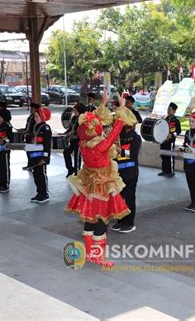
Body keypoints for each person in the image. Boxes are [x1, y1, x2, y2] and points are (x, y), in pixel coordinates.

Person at [66, 94, 136, 266]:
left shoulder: (84, 143)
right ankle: (99, 257)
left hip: (88, 186)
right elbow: (116, 130)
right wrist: (120, 107)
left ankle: (90, 253)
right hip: (101, 188)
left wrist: (103, 104)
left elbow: (92, 120)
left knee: (89, 220)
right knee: (100, 221)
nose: (98, 123)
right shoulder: (101, 144)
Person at [110, 120, 141, 233]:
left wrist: (120, 150)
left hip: (130, 173)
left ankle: (130, 223)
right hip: (119, 173)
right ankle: (121, 221)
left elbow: (133, 154)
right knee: (119, 199)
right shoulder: (120, 135)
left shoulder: (136, 138)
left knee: (129, 198)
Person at [29, 107, 52, 204]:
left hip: (42, 156)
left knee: (41, 175)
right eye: (34, 116)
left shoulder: (46, 128)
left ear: (43, 116)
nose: (35, 118)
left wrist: (45, 158)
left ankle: (44, 194)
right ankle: (39, 193)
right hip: (35, 155)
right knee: (36, 174)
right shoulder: (36, 126)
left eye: (37, 116)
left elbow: (47, 145)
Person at [0, 109, 13, 193]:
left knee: (5, 168)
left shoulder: (7, 125)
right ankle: (0, 185)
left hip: (4, 150)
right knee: (0, 168)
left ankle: (5, 185)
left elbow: (10, 138)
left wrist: (3, 141)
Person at [63, 103, 86, 177]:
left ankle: (77, 173)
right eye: (74, 111)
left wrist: (73, 133)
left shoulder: (83, 119)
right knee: (66, 152)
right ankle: (70, 169)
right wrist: (66, 133)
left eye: (75, 111)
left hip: (79, 142)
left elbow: (82, 131)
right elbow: (70, 128)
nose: (74, 112)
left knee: (77, 157)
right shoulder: (73, 118)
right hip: (73, 141)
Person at [159, 102, 181, 177]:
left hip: (170, 141)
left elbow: (178, 131)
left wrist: (172, 135)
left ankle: (171, 172)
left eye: (170, 110)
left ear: (174, 111)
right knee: (163, 155)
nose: (168, 111)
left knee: (170, 156)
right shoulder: (165, 119)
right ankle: (164, 171)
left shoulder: (176, 120)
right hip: (163, 141)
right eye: (168, 110)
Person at [22, 102, 40, 170]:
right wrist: (22, 131)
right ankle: (29, 164)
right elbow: (27, 127)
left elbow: (36, 129)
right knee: (28, 151)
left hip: (33, 138)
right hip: (28, 137)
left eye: (32, 109)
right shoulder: (29, 118)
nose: (31, 110)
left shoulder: (37, 118)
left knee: (33, 152)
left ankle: (33, 165)